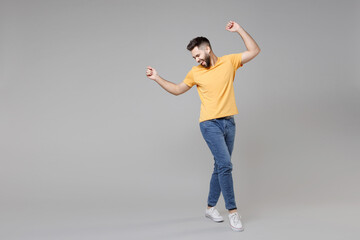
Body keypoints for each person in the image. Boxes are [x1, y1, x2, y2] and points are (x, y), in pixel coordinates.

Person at [145, 20, 260, 232]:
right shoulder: (195, 72)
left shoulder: (229, 61)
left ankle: (209, 208)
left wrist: (239, 29)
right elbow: (178, 89)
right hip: (209, 124)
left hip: (229, 122)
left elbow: (254, 50)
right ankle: (233, 212)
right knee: (226, 165)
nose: (197, 59)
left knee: (220, 166)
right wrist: (157, 78)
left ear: (208, 49)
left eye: (198, 55)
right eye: (194, 57)